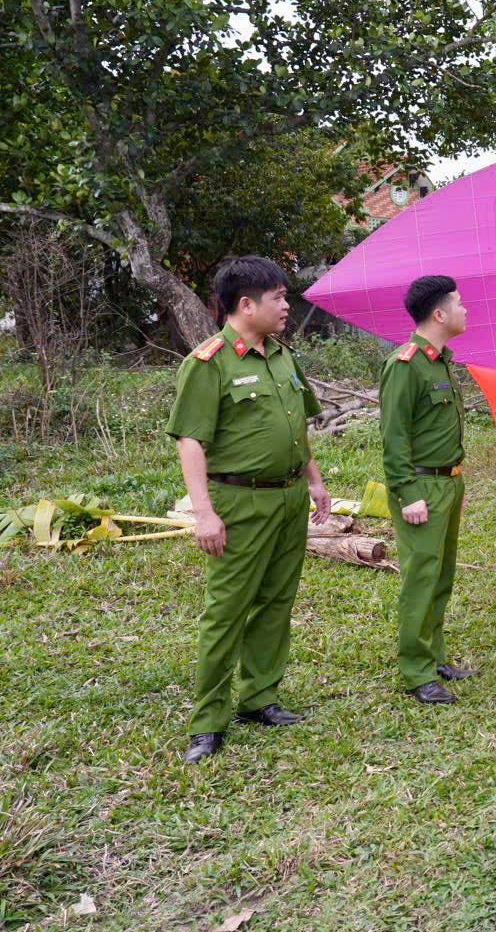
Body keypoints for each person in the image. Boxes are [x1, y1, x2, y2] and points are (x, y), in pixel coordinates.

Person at [167, 256, 332, 765]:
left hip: (288, 497)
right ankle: (208, 723)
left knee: (277, 600)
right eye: (278, 298)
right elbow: (190, 441)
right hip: (239, 502)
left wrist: (314, 480)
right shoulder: (209, 362)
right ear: (246, 304)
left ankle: (260, 697)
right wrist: (204, 513)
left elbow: (296, 427)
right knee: (227, 611)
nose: (286, 306)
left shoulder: (282, 357)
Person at [379, 275, 475, 705]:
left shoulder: (441, 362)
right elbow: (394, 436)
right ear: (439, 314)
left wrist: (456, 482)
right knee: (420, 578)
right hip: (421, 486)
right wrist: (407, 492)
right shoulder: (406, 365)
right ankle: (417, 671)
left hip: (448, 482)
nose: (465, 310)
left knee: (440, 576)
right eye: (459, 303)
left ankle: (435, 657)